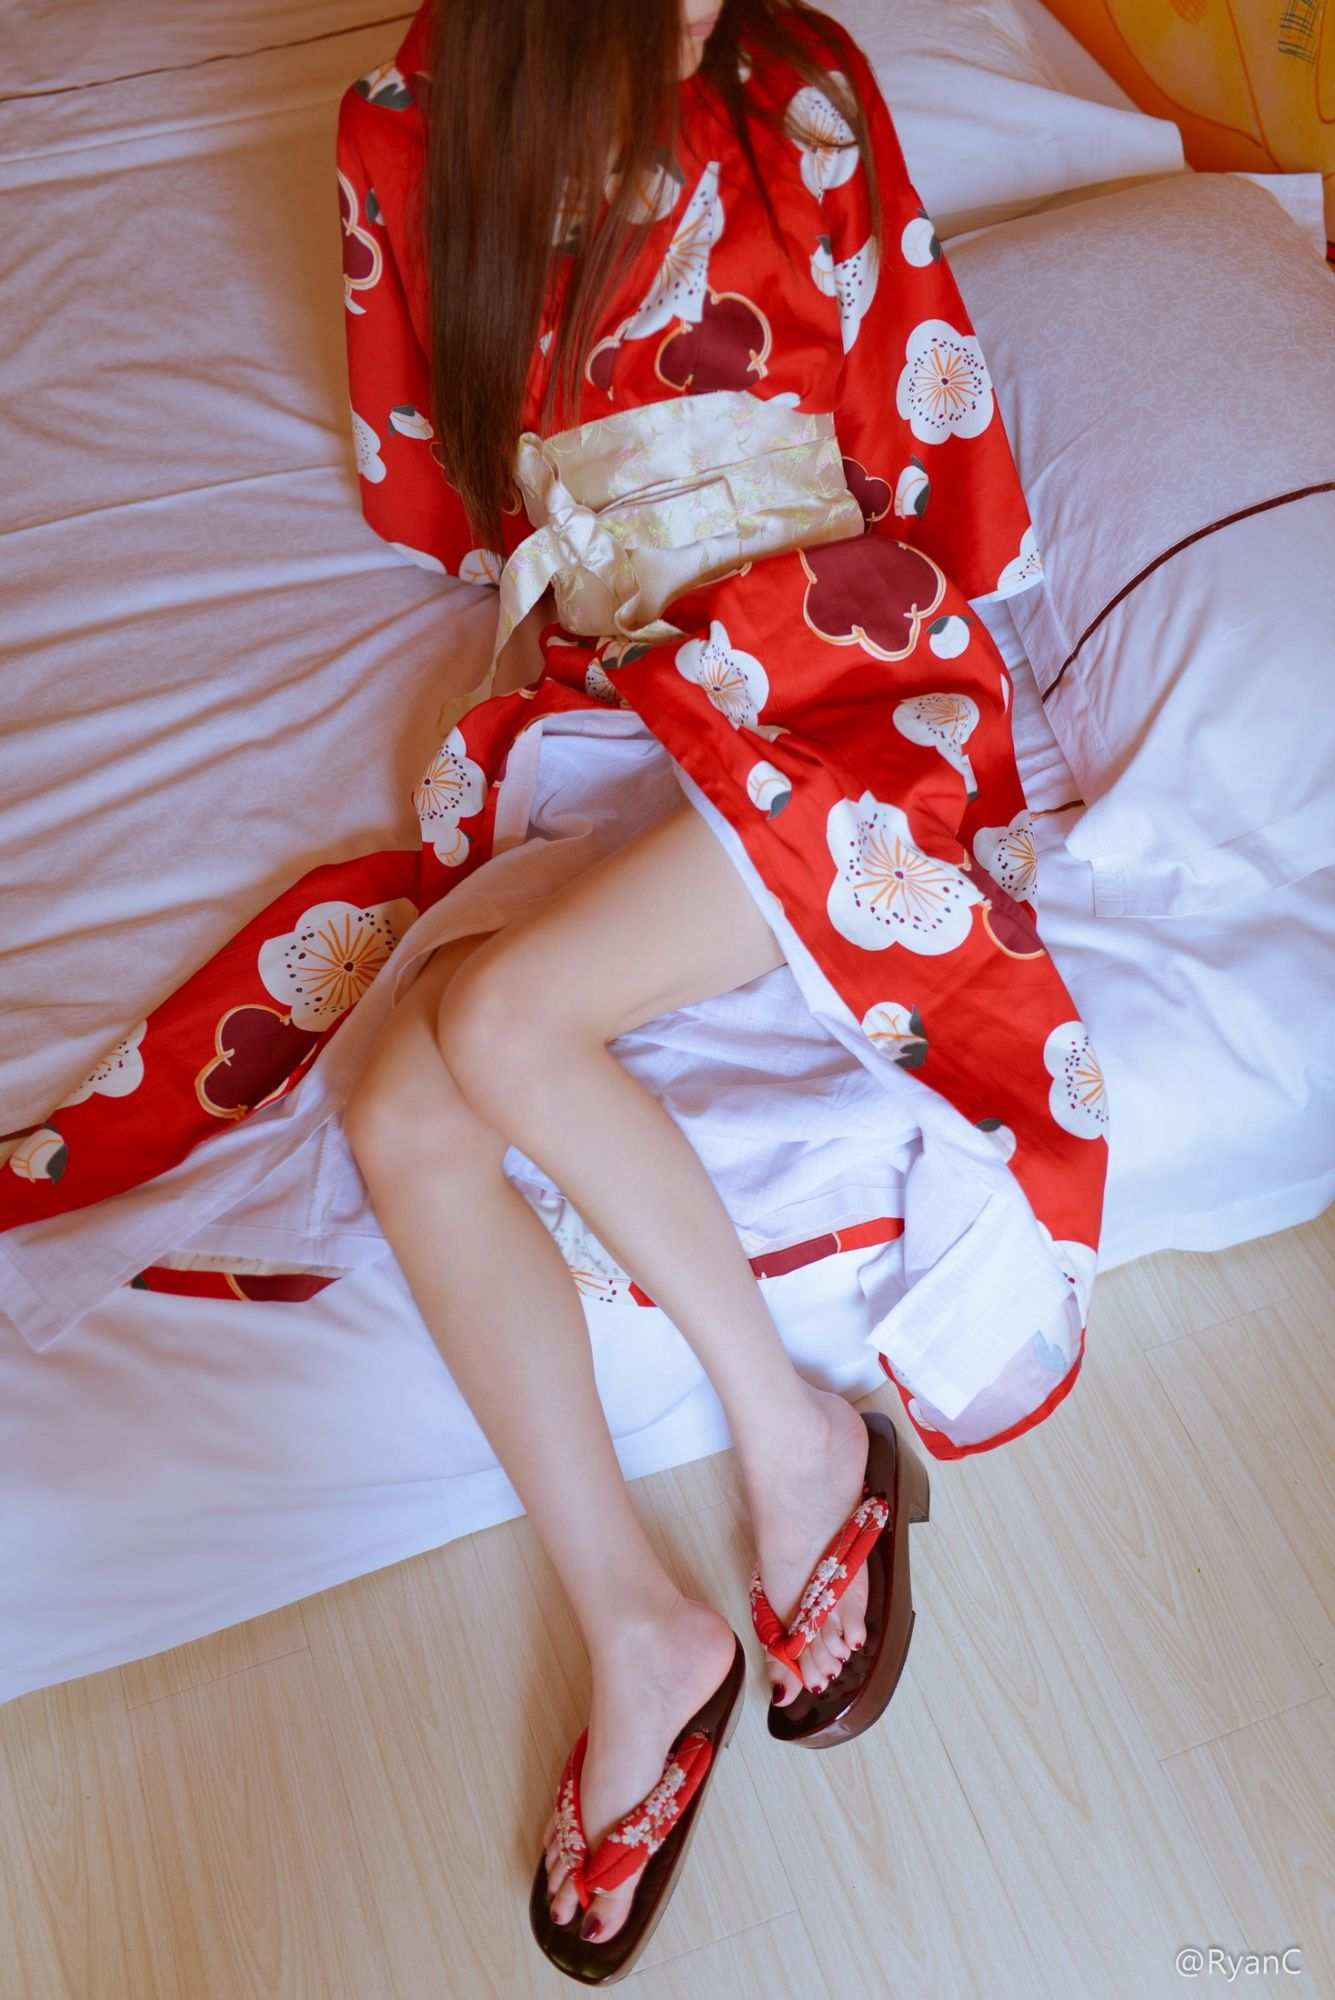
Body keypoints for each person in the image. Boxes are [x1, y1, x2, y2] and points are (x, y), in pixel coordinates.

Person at [0, 0, 1108, 1976]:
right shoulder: (407, 122)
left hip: (832, 684)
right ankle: (636, 1622)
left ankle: (796, 1445)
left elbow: (926, 436)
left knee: (499, 1024)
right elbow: (436, 499)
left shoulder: (792, 82)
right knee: (392, 1101)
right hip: (618, 699)